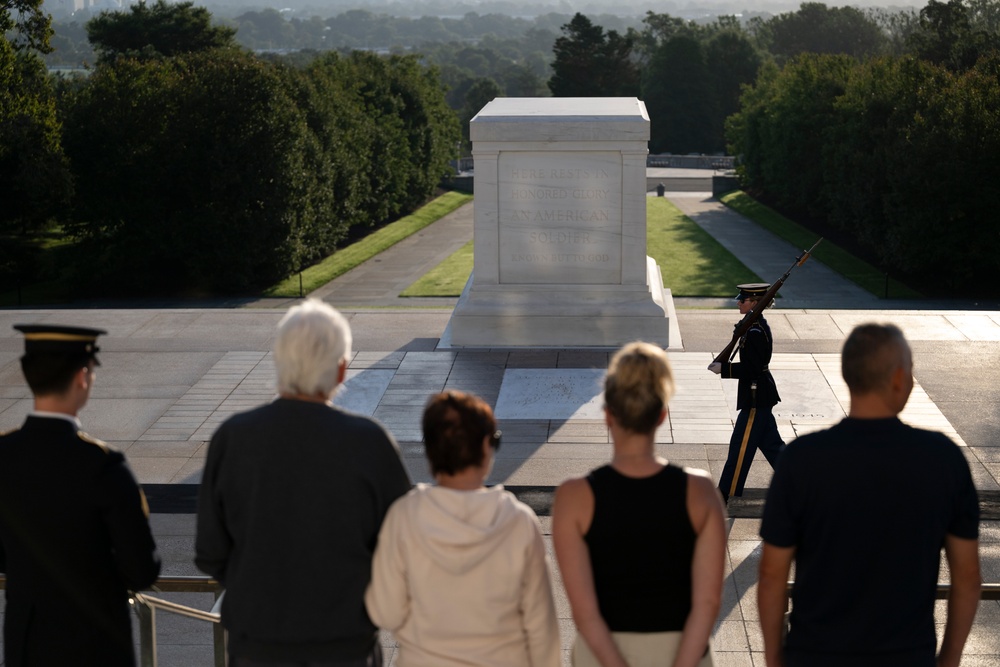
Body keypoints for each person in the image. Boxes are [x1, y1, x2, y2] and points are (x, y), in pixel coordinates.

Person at [195, 299, 412, 667]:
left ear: (280, 362)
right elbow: (402, 547)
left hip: (257, 645)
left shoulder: (233, 438)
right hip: (345, 645)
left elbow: (211, 551)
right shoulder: (370, 442)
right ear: (341, 371)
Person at [758, 323, 981, 667]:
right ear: (897, 378)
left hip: (815, 654)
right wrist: (948, 659)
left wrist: (775, 659)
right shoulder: (942, 459)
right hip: (906, 656)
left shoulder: (802, 459)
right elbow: (966, 576)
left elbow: (773, 575)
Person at [554, 341, 727, 667]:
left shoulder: (573, 497)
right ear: (662, 415)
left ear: (607, 416)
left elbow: (585, 614)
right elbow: (707, 603)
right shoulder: (701, 491)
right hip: (682, 652)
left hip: (602, 655)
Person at [0, 324, 161, 667]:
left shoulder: (4, 456)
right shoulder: (102, 465)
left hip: (26, 644)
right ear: (81, 377)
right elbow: (141, 569)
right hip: (96, 644)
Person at [365, 390, 561, 667]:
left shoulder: (404, 517)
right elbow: (542, 627)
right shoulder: (518, 522)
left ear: (430, 450)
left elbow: (385, 612)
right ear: (485, 446)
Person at [708, 283, 784, 504]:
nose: (739, 302)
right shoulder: (753, 326)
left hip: (756, 397)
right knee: (773, 448)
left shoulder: (755, 331)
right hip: (758, 395)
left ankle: (723, 494)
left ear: (756, 303)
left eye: (744, 299)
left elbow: (752, 368)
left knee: (740, 447)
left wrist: (725, 369)